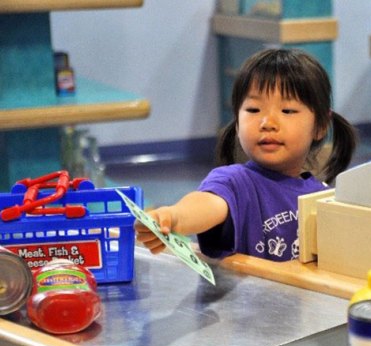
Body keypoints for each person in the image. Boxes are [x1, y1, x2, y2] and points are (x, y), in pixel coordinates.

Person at [136, 48, 358, 261]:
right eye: (253, 110)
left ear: (320, 125)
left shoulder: (322, 196)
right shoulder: (235, 182)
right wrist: (173, 218)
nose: (267, 123)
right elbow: (206, 204)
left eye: (287, 111)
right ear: (236, 123)